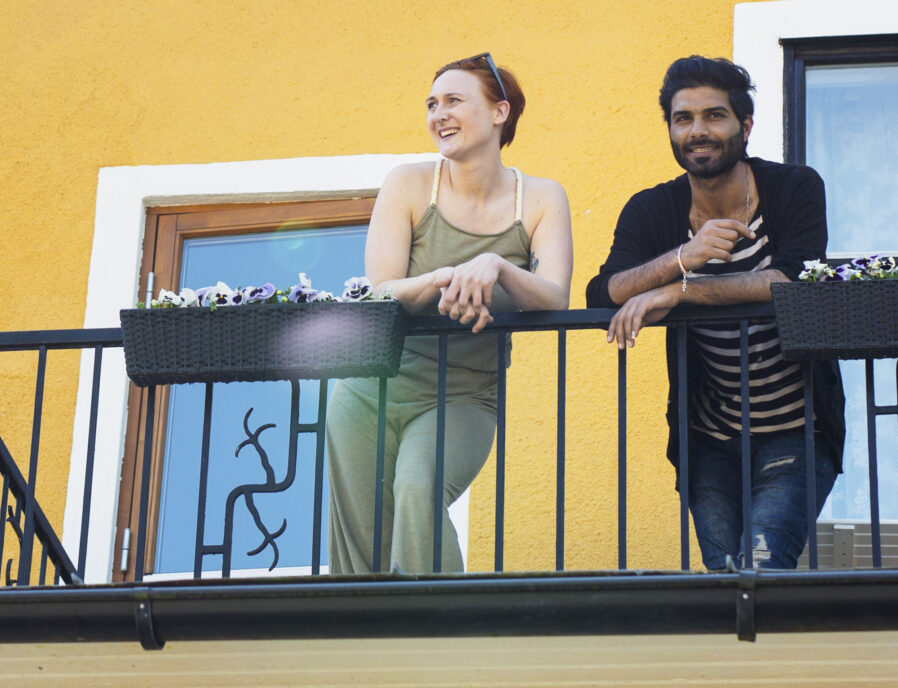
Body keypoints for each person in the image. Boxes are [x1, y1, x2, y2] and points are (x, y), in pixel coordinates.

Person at [587, 55, 843, 571]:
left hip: (798, 429)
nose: (697, 131)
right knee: (725, 579)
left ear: (745, 126)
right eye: (683, 119)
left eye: (714, 116)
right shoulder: (652, 209)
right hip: (709, 442)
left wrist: (679, 293)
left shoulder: (794, 188)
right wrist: (684, 258)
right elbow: (603, 292)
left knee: (762, 569)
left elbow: (792, 282)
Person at [326, 54, 576, 573]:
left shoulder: (541, 198)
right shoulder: (410, 183)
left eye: (454, 101)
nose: (438, 114)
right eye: (432, 104)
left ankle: (440, 628)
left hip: (464, 393)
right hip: (370, 389)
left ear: (500, 111)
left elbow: (555, 296)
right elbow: (382, 291)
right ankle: (362, 636)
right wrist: (446, 278)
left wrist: (495, 267)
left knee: (419, 486)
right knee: (364, 539)